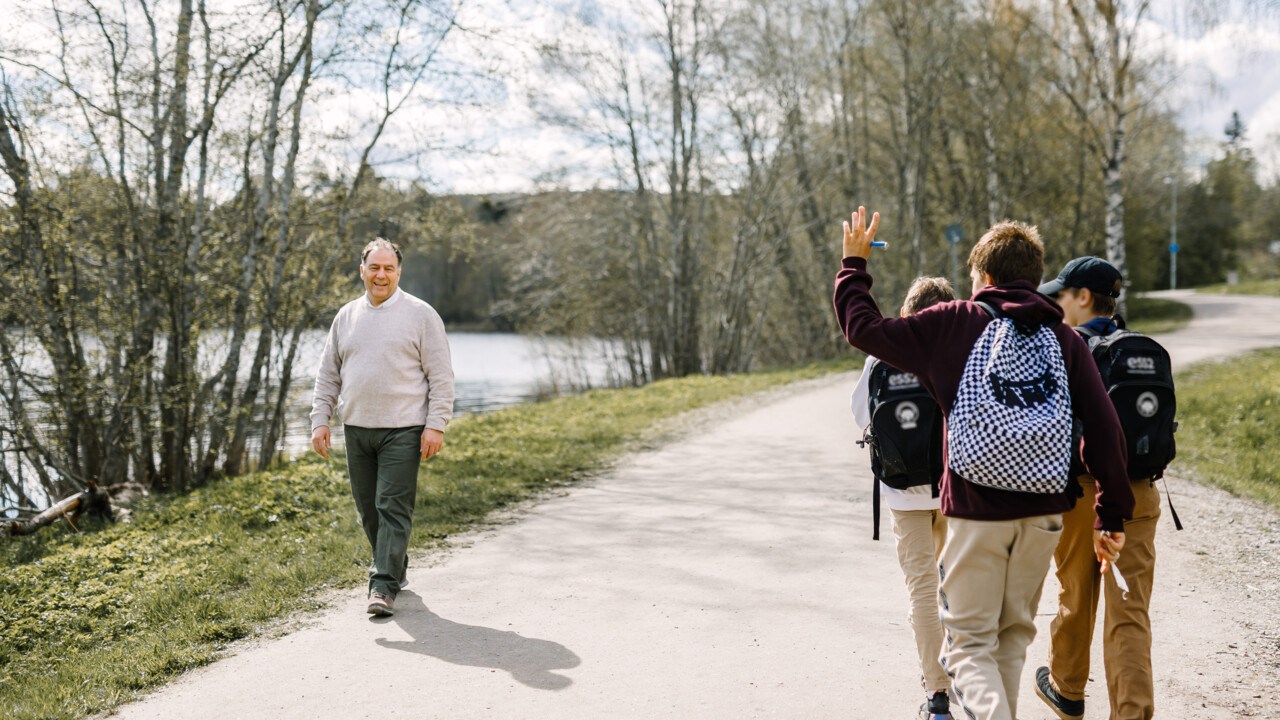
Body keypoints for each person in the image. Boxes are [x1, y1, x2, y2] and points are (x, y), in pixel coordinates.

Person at [833, 208, 1134, 720]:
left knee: (969, 647)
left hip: (975, 509)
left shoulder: (958, 323)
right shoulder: (1062, 337)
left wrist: (854, 265)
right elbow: (1106, 429)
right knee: (1010, 641)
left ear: (984, 276)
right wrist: (1111, 513)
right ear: (1035, 276)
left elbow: (864, 329)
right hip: (1043, 514)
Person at [1035, 257, 1167, 720]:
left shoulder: (1067, 347)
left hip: (1084, 493)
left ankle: (1067, 689)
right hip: (1139, 494)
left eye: (1062, 295)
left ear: (1084, 298)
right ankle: (1131, 714)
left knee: (1077, 593)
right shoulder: (1142, 348)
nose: (1057, 304)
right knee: (1128, 610)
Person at [311, 238, 455, 617]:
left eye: (389, 268)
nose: (381, 275)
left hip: (404, 429)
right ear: (362, 271)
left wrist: (435, 425)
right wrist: (319, 420)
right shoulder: (346, 316)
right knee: (368, 511)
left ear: (399, 272)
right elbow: (328, 374)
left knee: (391, 505)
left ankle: (383, 586)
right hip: (357, 429)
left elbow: (441, 376)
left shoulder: (421, 315)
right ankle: (395, 565)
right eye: (374, 267)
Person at [850, 276, 956, 720]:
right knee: (960, 588)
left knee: (922, 593)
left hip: (902, 493)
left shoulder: (882, 356)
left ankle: (937, 697)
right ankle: (969, 674)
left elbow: (861, 415)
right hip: (954, 492)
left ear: (909, 312)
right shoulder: (958, 352)